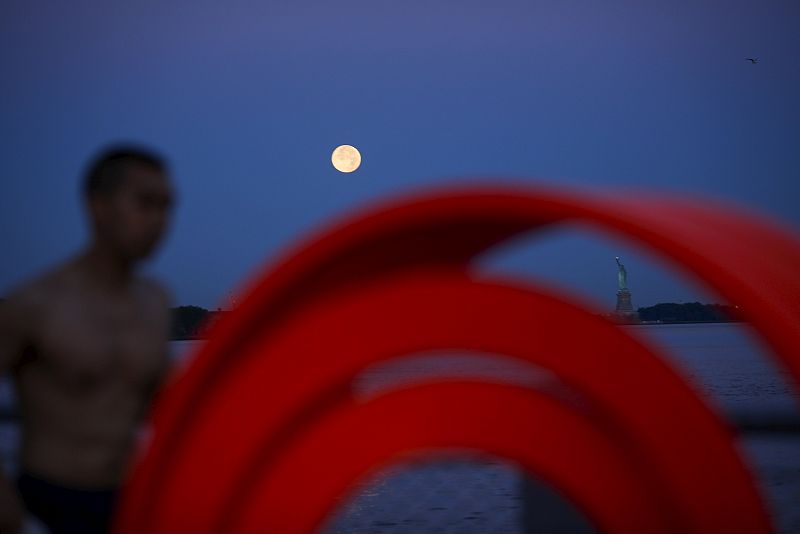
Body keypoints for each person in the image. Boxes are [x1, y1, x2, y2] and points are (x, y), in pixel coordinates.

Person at [0, 146, 175, 533]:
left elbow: (172, 404)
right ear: (97, 206)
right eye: (145, 203)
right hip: (46, 507)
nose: (160, 220)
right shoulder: (35, 304)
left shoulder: (156, 303)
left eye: (166, 206)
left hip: (129, 502)